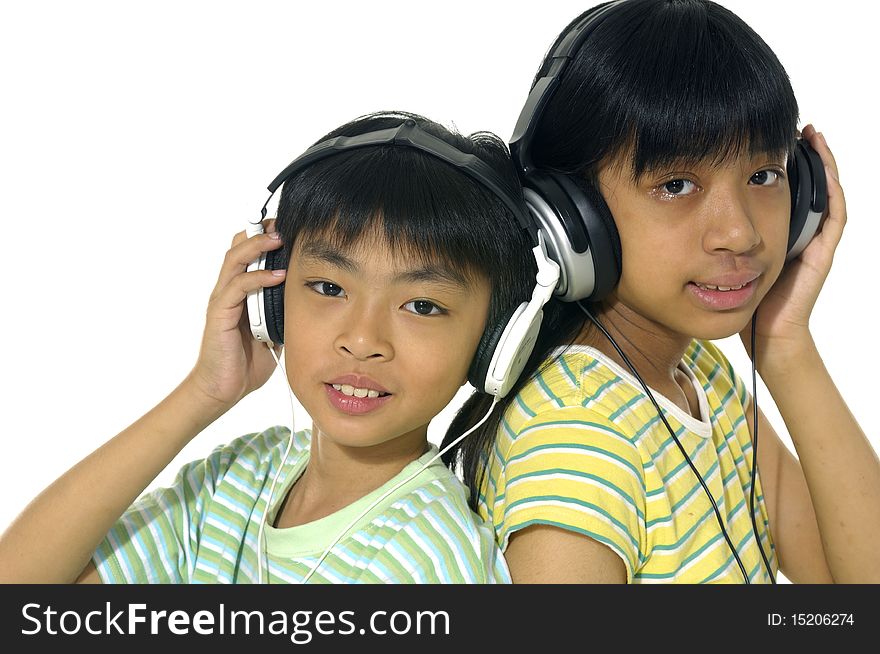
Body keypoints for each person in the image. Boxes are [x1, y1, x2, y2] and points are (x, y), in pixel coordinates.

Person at [0, 111, 542, 584]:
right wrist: (204, 393)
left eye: (422, 305)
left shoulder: (430, 561)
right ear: (272, 300)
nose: (362, 340)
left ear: (495, 341)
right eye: (329, 288)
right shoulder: (237, 481)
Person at [442, 0, 880, 583]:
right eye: (677, 184)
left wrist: (784, 343)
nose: (741, 232)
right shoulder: (577, 443)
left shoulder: (702, 375)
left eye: (764, 176)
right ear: (573, 219)